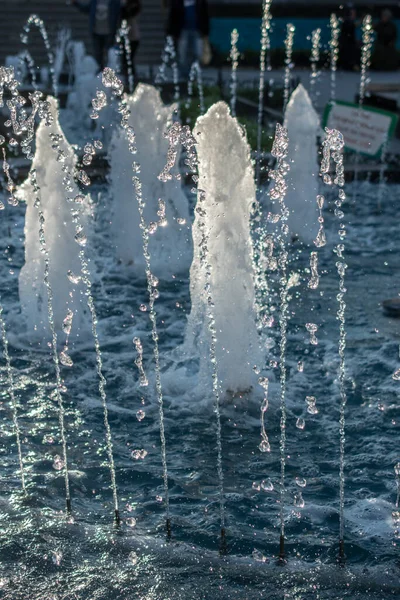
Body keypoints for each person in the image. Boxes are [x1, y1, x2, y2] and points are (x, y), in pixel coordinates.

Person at [71, 0, 122, 71]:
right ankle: (100, 72)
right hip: (96, 32)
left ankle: (109, 72)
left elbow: (120, 12)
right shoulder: (95, 1)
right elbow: (86, 9)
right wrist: (75, 3)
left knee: (109, 54)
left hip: (109, 32)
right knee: (98, 54)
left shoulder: (114, 2)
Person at [166, 0, 210, 76]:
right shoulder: (178, 2)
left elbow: (205, 15)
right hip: (183, 31)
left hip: (197, 30)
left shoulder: (200, 2)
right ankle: (183, 74)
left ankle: (195, 74)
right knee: (182, 54)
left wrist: (205, 32)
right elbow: (173, 16)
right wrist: (171, 32)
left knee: (198, 53)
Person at [120, 0, 141, 80]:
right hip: (127, 36)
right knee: (126, 60)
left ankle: (132, 79)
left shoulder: (133, 6)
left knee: (129, 59)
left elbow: (127, 14)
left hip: (133, 37)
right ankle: (130, 78)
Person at [338, 5, 360, 71]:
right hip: (346, 45)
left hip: (349, 44)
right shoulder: (347, 22)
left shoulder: (349, 22)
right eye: (353, 14)